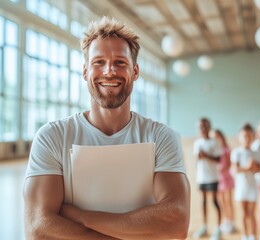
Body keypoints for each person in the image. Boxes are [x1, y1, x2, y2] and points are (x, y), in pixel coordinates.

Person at [23, 16, 190, 239]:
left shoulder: (161, 137)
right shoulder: (52, 137)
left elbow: (176, 223)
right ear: (85, 72)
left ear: (135, 71)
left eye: (120, 62)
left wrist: (81, 216)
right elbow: (39, 229)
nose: (109, 71)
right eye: (99, 62)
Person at [193, 118, 222, 240]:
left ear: (209, 128)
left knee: (214, 202)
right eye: (201, 127)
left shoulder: (214, 142)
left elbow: (218, 160)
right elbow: (197, 159)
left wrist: (206, 156)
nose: (203, 129)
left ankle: (218, 229)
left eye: (205, 126)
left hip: (212, 177)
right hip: (201, 177)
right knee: (203, 202)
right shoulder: (197, 143)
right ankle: (204, 226)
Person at [231, 124, 260, 240]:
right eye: (244, 136)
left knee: (252, 214)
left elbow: (259, 169)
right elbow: (235, 169)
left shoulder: (255, 153)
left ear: (252, 137)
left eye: (249, 136)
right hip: (241, 187)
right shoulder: (236, 152)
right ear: (239, 137)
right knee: (243, 214)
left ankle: (252, 236)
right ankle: (245, 235)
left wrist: (253, 167)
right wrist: (248, 167)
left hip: (252, 186)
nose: (247, 138)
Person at [214, 129, 235, 234]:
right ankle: (226, 221)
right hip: (218, 178)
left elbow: (229, 164)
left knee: (228, 201)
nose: (216, 139)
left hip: (226, 178)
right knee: (221, 201)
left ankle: (231, 221)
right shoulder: (215, 150)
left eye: (218, 136)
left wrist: (221, 168)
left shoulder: (226, 150)